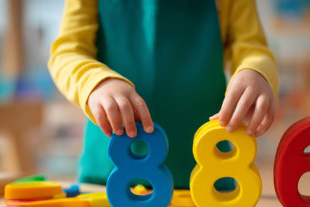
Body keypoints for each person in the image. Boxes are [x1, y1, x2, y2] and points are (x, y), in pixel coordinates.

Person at [48, 0, 278, 188]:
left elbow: (251, 47)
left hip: (210, 174)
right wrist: (95, 82)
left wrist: (255, 71)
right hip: (108, 173)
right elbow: (66, 52)